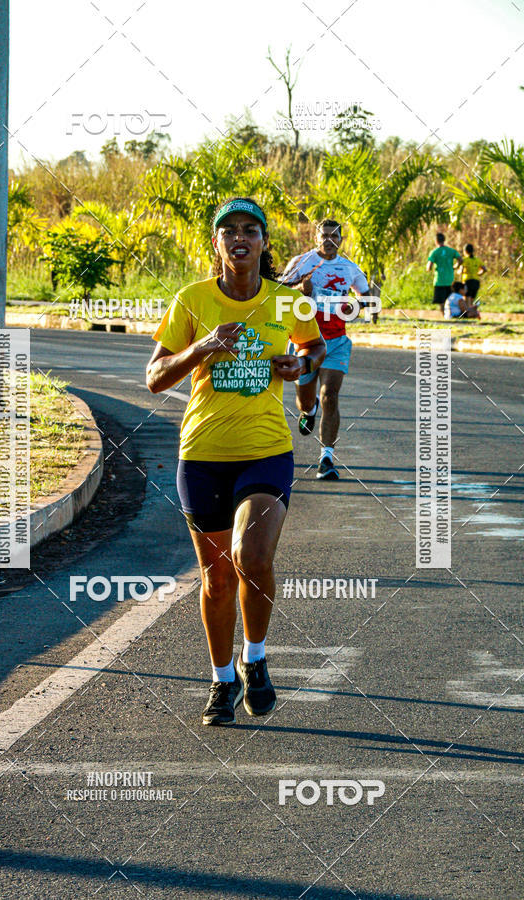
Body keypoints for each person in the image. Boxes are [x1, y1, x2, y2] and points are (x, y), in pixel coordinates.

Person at [146, 197, 325, 726]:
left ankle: (256, 657)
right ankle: (223, 681)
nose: (240, 238)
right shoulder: (192, 299)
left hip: (266, 450)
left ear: (265, 242)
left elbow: (314, 351)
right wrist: (201, 347)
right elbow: (155, 378)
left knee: (253, 555)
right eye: (229, 231)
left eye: (251, 229)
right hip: (201, 455)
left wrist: (300, 364)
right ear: (217, 243)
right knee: (217, 579)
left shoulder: (288, 303)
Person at [281, 219, 369, 480]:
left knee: (330, 394)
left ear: (341, 240)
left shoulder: (350, 268)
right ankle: (309, 410)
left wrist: (355, 304)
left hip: (337, 341)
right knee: (304, 400)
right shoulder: (303, 262)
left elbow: (365, 297)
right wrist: (300, 289)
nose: (329, 240)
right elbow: (280, 290)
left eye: (335, 236)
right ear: (316, 237)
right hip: (305, 340)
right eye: (325, 235)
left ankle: (326, 458)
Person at [426, 233, 461, 310]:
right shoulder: (451, 251)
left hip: (439, 280)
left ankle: (444, 316)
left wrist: (428, 269)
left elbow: (429, 266)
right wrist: (455, 266)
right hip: (450, 279)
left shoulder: (434, 252)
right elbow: (460, 260)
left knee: (441, 301)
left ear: (436, 241)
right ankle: (449, 314)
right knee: (449, 299)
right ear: (444, 240)